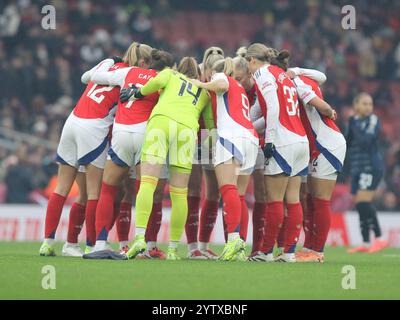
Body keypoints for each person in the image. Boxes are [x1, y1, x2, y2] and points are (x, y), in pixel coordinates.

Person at [38, 42, 144, 257]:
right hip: (93, 127)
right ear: (142, 62)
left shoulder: (107, 65)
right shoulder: (132, 77)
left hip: (72, 121)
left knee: (62, 188)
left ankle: (48, 243)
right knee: (95, 192)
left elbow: (86, 77)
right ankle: (93, 245)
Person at [82, 49, 174, 254]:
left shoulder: (128, 72)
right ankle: (142, 246)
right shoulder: (165, 80)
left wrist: (107, 63)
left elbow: (88, 77)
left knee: (108, 189)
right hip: (145, 134)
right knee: (145, 189)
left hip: (121, 132)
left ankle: (100, 243)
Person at [122, 57, 210, 260]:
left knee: (148, 183)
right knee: (180, 194)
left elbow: (155, 83)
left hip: (161, 123)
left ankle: (139, 239)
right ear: (197, 73)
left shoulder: (170, 74)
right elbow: (209, 121)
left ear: (179, 68)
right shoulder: (203, 92)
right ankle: (172, 249)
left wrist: (138, 92)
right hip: (187, 132)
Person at [245, 44, 309, 262]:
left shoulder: (262, 73)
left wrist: (269, 141)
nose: (248, 69)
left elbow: (273, 107)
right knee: (293, 200)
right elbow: (268, 111)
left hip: (282, 141)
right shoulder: (282, 74)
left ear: (253, 60)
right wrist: (249, 128)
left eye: (248, 63)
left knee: (274, 201)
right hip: (301, 141)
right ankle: (288, 253)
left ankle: (264, 253)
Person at [192, 57, 258, 261]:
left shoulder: (222, 77)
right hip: (251, 139)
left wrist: (201, 83)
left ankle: (234, 239)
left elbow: (220, 84)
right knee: (238, 195)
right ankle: (238, 248)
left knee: (227, 189)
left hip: (231, 137)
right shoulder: (240, 88)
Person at [286, 66, 346, 262]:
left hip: (327, 144)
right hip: (316, 145)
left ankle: (318, 251)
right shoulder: (300, 77)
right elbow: (322, 76)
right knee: (310, 199)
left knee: (320, 200)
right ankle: (309, 247)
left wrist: (329, 110)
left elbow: (324, 106)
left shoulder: (297, 82)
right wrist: (297, 69)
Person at [232, 49, 267, 259]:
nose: (236, 81)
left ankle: (260, 248)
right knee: (237, 192)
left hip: (260, 142)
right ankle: (239, 243)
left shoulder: (260, 87)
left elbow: (270, 114)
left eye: (239, 78)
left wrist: (248, 127)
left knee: (262, 195)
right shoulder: (233, 86)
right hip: (241, 141)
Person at [346, 93, 389, 253]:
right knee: (359, 205)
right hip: (358, 168)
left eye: (370, 104)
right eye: (364, 104)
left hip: (370, 167)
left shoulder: (373, 121)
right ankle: (365, 242)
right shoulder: (354, 122)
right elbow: (348, 143)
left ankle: (379, 238)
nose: (368, 107)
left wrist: (353, 123)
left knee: (364, 203)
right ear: (356, 105)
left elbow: (365, 141)